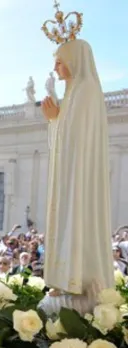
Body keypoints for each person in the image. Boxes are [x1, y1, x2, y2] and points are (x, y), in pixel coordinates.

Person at [39, 37, 114, 314]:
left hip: (79, 176)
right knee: (66, 218)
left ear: (75, 61)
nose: (56, 67)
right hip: (69, 174)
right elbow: (65, 135)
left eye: (60, 61)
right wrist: (55, 120)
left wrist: (57, 119)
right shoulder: (73, 91)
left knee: (77, 218)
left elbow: (77, 139)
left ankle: (78, 279)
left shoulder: (86, 90)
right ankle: (64, 278)